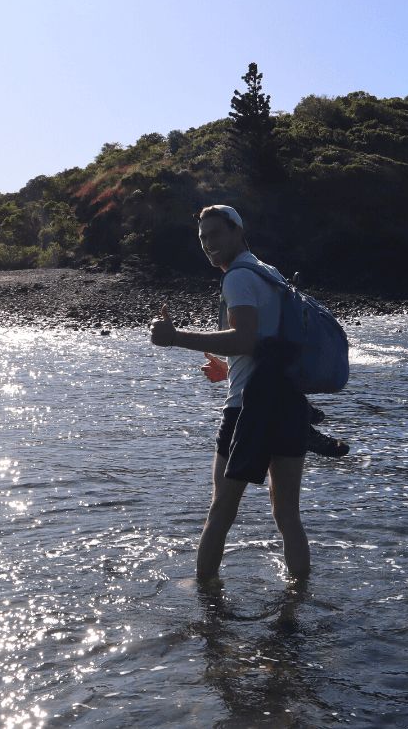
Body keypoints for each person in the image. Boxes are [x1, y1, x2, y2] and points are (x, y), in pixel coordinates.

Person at [150, 204, 316, 581]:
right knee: (288, 515)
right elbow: (267, 346)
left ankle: (205, 605)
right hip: (288, 404)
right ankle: (300, 602)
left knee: (221, 509)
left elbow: (244, 337)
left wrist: (175, 337)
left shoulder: (238, 278)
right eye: (203, 237)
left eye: (216, 234)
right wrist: (228, 368)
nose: (209, 243)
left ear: (238, 233)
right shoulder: (270, 274)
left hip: (248, 409)